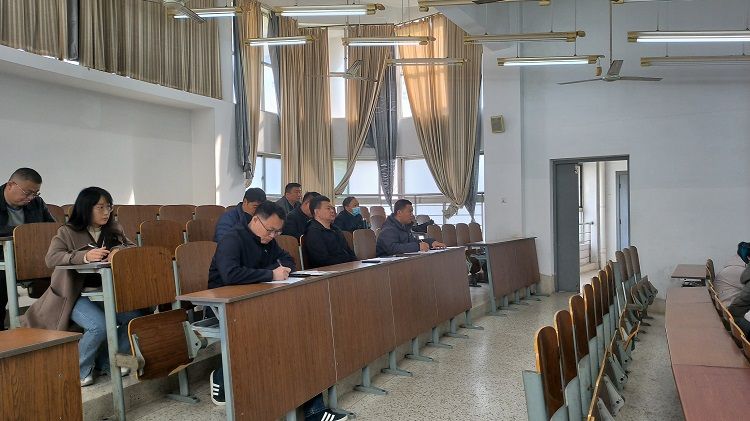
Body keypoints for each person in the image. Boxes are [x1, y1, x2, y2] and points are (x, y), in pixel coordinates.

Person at [207, 201, 346, 420]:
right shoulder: (232, 239)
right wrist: (271, 274)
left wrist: (272, 270)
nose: (272, 236)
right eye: (270, 230)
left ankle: (313, 408)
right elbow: (230, 274)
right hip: (226, 305)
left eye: (277, 232)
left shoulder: (268, 240)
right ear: (255, 220)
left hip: (259, 300)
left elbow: (288, 260)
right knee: (289, 338)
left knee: (305, 331)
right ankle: (224, 375)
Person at [22, 187, 141, 387]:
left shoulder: (114, 228)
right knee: (98, 326)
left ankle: (105, 361)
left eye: (109, 207)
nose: (106, 212)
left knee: (134, 318)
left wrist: (118, 250)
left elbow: (132, 248)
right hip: (73, 295)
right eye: (100, 207)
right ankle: (79, 369)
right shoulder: (67, 231)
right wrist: (84, 256)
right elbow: (52, 258)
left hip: (106, 291)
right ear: (86, 208)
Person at [0, 167, 56, 330]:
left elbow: (52, 228)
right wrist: (24, 233)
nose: (31, 198)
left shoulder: (37, 203)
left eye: (35, 193)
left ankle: (57, 322)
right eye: (28, 193)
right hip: (2, 259)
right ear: (10, 185)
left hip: (32, 258)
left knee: (64, 271)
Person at [376, 199, 446, 257]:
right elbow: (392, 248)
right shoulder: (388, 228)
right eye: (410, 212)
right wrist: (418, 247)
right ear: (399, 212)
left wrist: (431, 243)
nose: (412, 215)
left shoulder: (404, 227)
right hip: (386, 266)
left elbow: (413, 242)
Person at [304, 195, 356, 268]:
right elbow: (322, 260)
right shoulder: (313, 232)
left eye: (332, 208)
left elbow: (349, 251)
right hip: (327, 271)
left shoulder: (336, 229)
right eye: (328, 208)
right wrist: (346, 262)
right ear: (317, 212)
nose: (332, 211)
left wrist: (354, 263)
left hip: (344, 267)